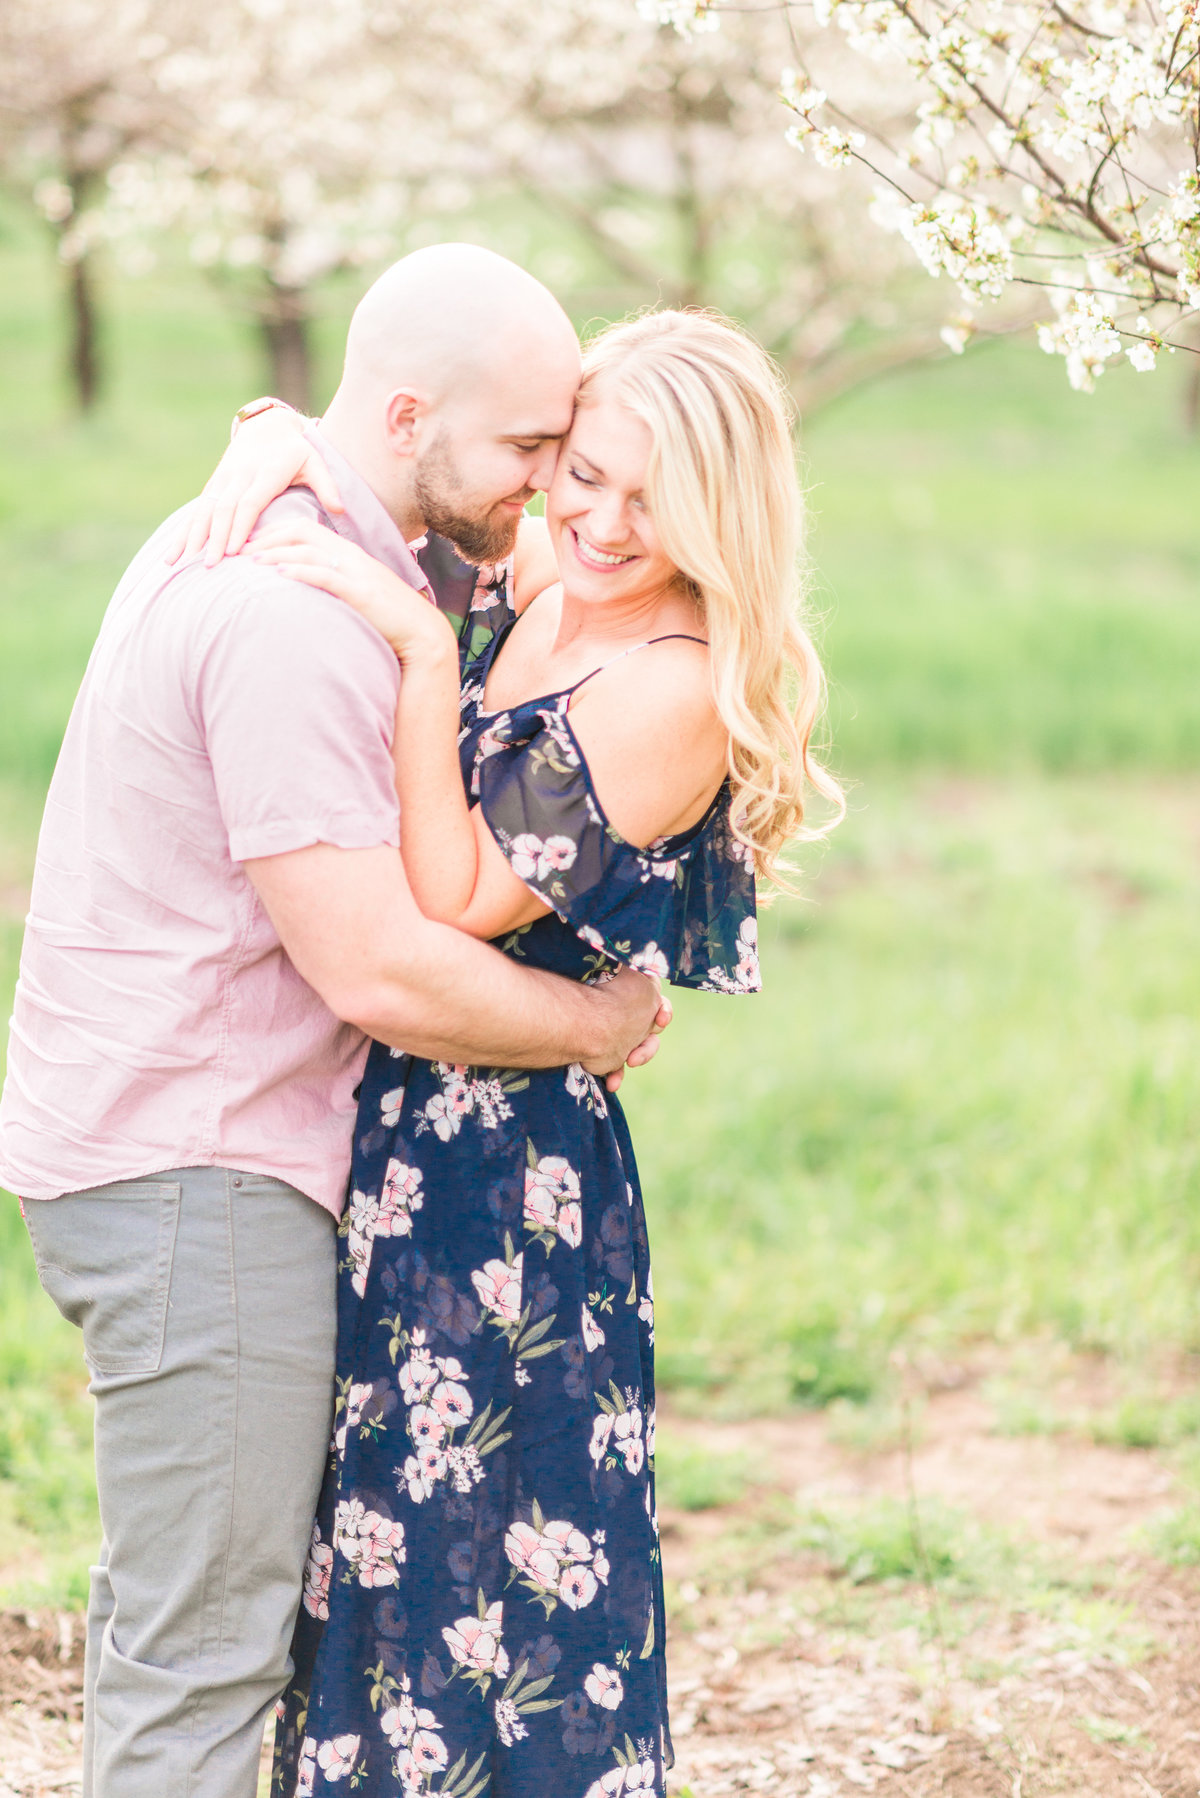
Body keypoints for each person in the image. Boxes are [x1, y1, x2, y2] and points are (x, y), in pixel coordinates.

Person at [0, 245, 668, 1798]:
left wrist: (277, 422)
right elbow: (373, 967)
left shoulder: (300, 527)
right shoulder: (293, 607)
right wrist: (593, 1019)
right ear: (412, 412)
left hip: (174, 1153)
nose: (538, 491)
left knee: (201, 1626)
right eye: (522, 452)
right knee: (206, 1653)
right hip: (197, 1173)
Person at [196, 307, 842, 1798]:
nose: (603, 524)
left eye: (651, 501)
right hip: (407, 1131)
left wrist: (429, 656)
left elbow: (454, 897)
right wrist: (279, 431)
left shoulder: (672, 688)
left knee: (500, 1581)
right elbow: (423, 449)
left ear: (719, 511)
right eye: (585, 474)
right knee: (387, 1567)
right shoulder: (560, 573)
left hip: (509, 1188)